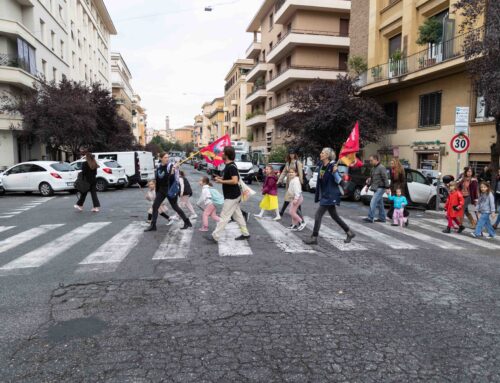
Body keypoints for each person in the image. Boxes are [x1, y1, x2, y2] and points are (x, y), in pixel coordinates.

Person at [304, 148, 355, 245]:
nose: (320, 154)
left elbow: (339, 180)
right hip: (325, 194)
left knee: (318, 215)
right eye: (321, 152)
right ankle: (349, 232)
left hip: (331, 195)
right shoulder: (321, 165)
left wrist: (336, 173)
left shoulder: (332, 167)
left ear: (327, 155)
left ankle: (314, 237)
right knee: (334, 216)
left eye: (323, 153)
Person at [209, 146, 250, 243]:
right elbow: (230, 179)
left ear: (226, 155)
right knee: (238, 216)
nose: (221, 154)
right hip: (233, 195)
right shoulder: (228, 165)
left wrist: (221, 181)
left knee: (224, 216)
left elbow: (234, 181)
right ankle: (245, 234)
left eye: (223, 153)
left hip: (232, 196)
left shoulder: (231, 166)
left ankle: (215, 236)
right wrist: (220, 179)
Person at [144, 152, 192, 232]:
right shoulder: (159, 168)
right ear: (161, 158)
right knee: (155, 206)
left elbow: (171, 179)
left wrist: (173, 171)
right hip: (161, 190)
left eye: (168, 157)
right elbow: (158, 181)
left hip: (170, 190)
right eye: (165, 157)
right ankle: (153, 225)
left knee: (175, 207)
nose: (167, 159)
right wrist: (156, 192)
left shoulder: (170, 167)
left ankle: (187, 222)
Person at [363, 155, 390, 223]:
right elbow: (371, 178)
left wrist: (387, 188)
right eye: (370, 160)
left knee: (373, 202)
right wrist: (367, 186)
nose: (370, 162)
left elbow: (385, 178)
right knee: (380, 204)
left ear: (376, 160)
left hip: (381, 188)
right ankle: (382, 218)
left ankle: (370, 217)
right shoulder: (373, 168)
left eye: (371, 160)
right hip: (376, 188)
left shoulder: (381, 167)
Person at [278, 149, 304, 219]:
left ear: (295, 154)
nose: (291, 155)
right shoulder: (287, 163)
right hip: (289, 183)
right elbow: (284, 172)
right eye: (290, 154)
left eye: (293, 154)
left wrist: (301, 182)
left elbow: (300, 173)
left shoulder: (298, 162)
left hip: (296, 182)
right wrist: (279, 181)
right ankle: (282, 212)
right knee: (288, 197)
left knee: (295, 198)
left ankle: (282, 212)